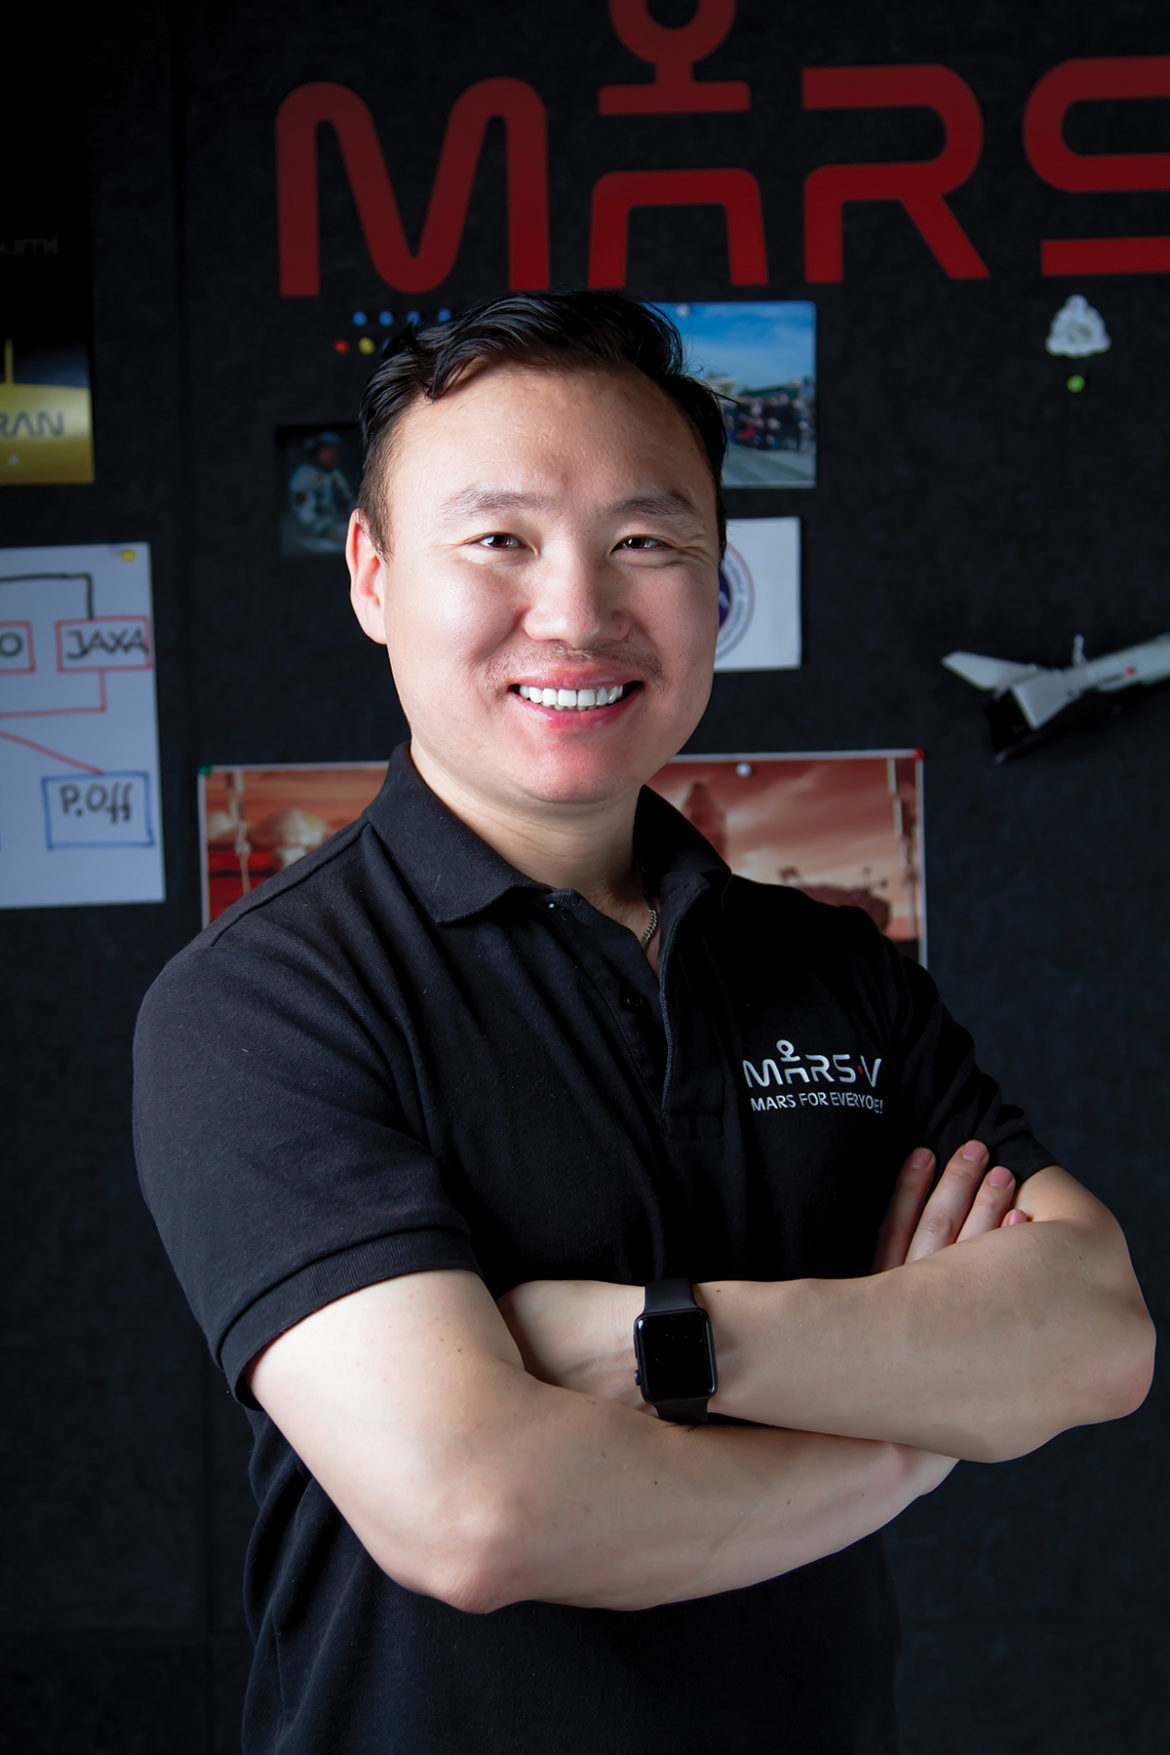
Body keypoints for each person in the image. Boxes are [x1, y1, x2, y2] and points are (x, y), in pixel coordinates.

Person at [133, 293, 1153, 1754]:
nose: (575, 613)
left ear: (713, 582)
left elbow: (1095, 1336)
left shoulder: (831, 968)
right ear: (371, 575)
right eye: (499, 539)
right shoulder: (267, 1000)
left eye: (645, 544)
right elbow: (475, 1512)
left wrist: (658, 1341)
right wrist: (907, 1439)